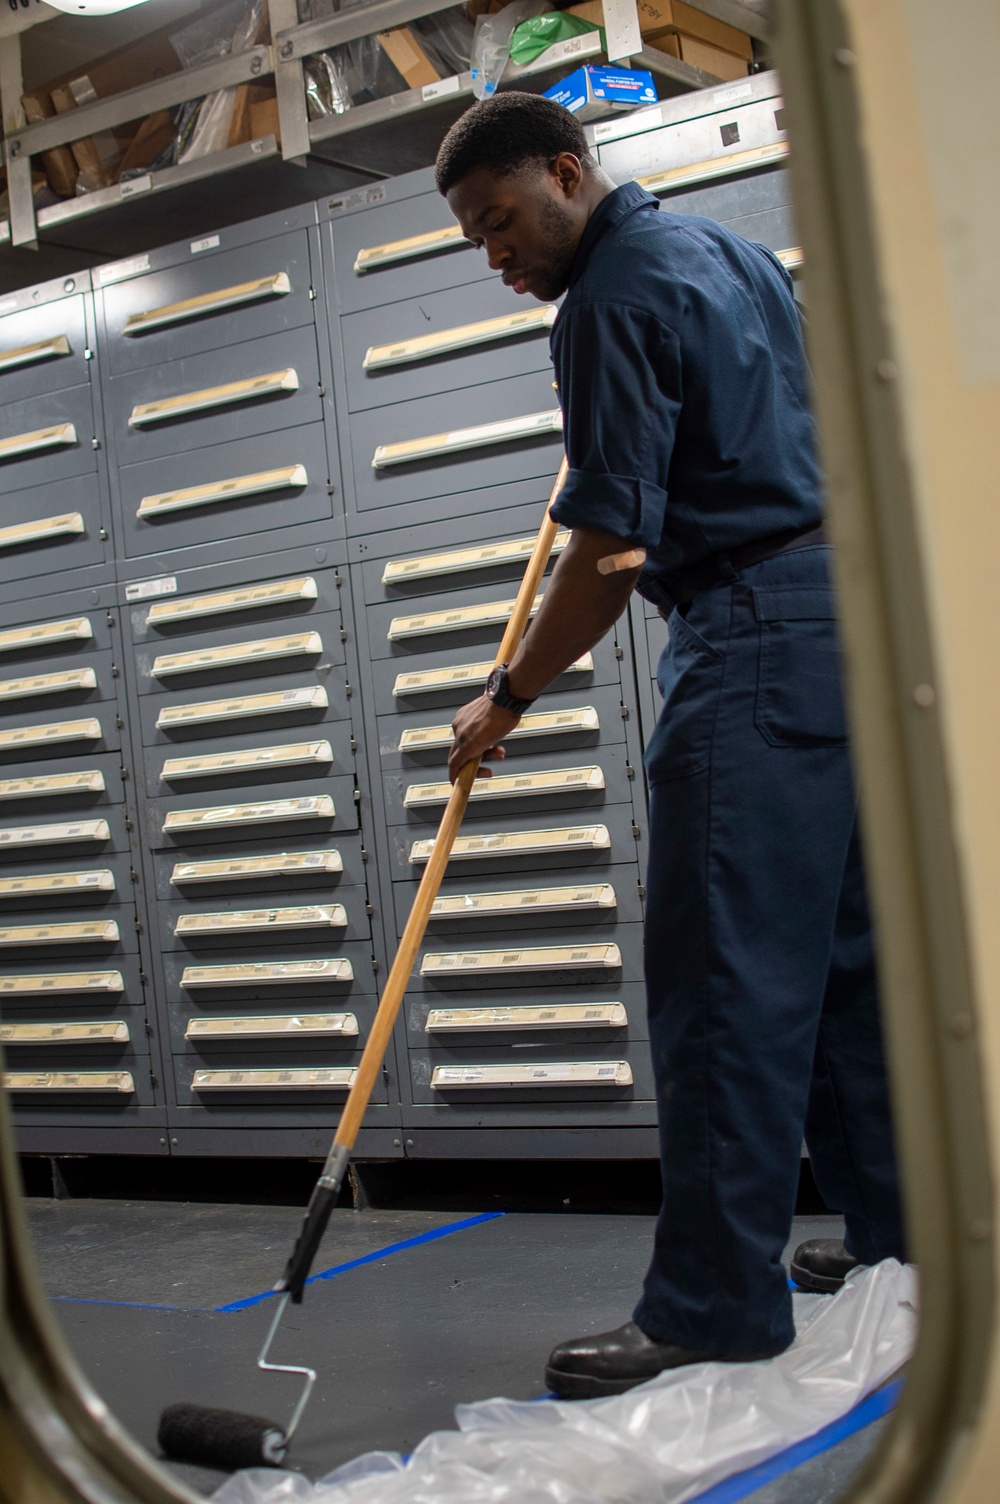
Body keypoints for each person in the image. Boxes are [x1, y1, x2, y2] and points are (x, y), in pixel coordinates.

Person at [433, 92, 906, 1401]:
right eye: (475, 239)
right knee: (840, 964)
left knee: (723, 978)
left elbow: (606, 553)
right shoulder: (729, 254)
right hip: (841, 619)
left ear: (568, 177)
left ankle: (712, 1303)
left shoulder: (607, 303)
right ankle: (899, 1240)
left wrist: (507, 693)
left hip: (748, 632)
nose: (496, 255)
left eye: (503, 221)